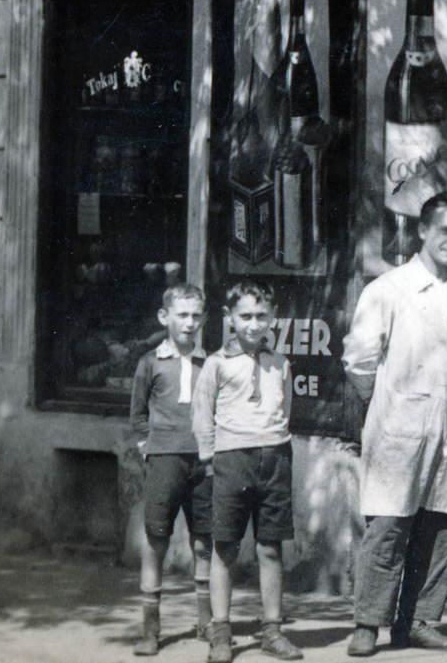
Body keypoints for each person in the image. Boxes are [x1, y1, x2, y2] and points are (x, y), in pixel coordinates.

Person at [342, 191, 447, 657]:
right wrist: (388, 404)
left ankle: (421, 621)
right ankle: (368, 625)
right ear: (422, 231)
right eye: (445, 231)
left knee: (441, 527)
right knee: (389, 525)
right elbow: (359, 361)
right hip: (400, 427)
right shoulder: (388, 289)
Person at [191, 281, 300, 663]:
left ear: (272, 317)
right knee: (225, 547)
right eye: (245, 316)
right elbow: (203, 416)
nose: (254, 325)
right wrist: (210, 461)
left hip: (274, 458)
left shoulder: (280, 363)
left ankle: (272, 629)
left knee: (270, 547)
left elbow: (284, 410)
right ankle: (221, 630)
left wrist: (272, 444)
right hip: (231, 460)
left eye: (262, 316)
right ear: (229, 318)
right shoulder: (216, 364)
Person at [130, 282, 214, 656]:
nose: (190, 322)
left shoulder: (211, 363)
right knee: (156, 541)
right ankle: (150, 627)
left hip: (202, 462)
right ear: (166, 317)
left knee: (204, 541)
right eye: (182, 315)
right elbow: (138, 414)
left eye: (196, 316)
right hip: (165, 460)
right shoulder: (150, 362)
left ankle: (206, 620)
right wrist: (151, 450)